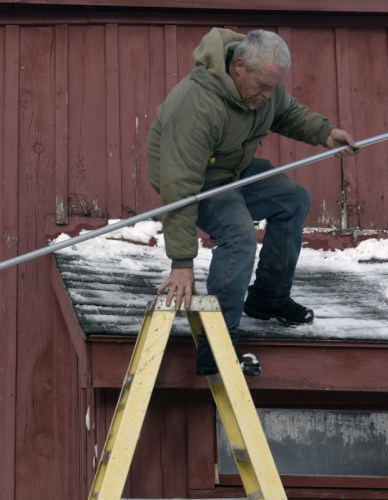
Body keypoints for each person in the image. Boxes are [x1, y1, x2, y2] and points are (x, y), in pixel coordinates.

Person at [146, 28, 357, 376]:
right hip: (195, 182)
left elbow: (286, 112)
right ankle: (216, 346)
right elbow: (179, 186)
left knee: (292, 200)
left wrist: (324, 133)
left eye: (273, 86)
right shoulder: (197, 104)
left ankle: (268, 298)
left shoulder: (263, 86)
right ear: (239, 66)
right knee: (239, 234)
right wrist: (181, 262)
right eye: (263, 86)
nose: (268, 94)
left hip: (232, 169)